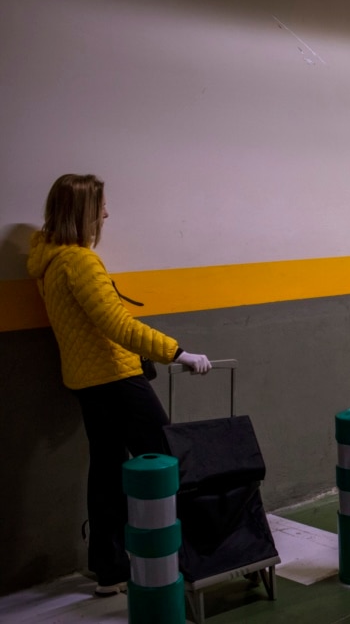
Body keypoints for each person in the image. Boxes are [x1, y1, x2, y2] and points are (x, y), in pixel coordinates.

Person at [26, 174, 212, 597]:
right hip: (115, 378)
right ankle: (188, 554)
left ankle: (109, 567)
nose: (107, 213)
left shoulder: (49, 261)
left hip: (86, 381)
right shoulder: (79, 262)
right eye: (101, 206)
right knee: (166, 462)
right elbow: (116, 325)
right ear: (83, 212)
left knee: (108, 470)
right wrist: (177, 352)